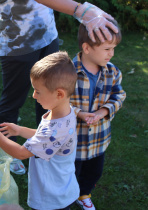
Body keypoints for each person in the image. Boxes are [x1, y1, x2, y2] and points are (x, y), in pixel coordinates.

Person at [0, 0, 119, 174]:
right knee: (13, 100)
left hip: (47, 35)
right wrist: (81, 11)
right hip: (18, 41)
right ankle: (8, 153)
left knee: (50, 96)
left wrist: (86, 7)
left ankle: (45, 144)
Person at [0, 51, 79, 210]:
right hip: (62, 188)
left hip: (51, 198)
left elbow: (21, 153)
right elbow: (46, 139)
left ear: (59, 93)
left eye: (38, 91)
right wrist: (20, 131)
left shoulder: (55, 128)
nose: (34, 95)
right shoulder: (64, 114)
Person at [70, 19, 126, 210]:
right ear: (87, 48)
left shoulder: (112, 72)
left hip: (98, 139)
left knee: (94, 172)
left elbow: (119, 95)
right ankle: (66, 199)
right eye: (107, 49)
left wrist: (103, 111)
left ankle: (83, 193)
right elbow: (57, 102)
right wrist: (79, 114)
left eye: (113, 48)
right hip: (73, 141)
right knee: (70, 174)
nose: (112, 54)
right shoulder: (67, 72)